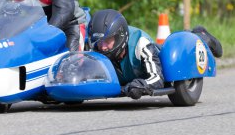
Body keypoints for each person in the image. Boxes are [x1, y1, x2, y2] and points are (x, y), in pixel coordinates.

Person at [88, 9, 223, 100]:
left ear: (120, 37)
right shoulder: (96, 49)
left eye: (107, 41)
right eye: (99, 42)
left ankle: (202, 35)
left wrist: (141, 85)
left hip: (156, 59)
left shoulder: (140, 44)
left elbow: (157, 79)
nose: (103, 47)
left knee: (170, 53)